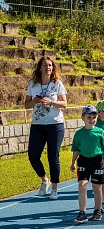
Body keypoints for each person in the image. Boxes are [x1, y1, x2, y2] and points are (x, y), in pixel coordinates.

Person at [24, 56, 67, 200]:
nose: (47, 67)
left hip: (55, 125)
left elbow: (65, 104)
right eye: (45, 65)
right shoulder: (33, 84)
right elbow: (26, 105)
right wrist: (35, 100)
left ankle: (54, 188)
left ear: (52, 68)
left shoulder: (57, 83)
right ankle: (44, 180)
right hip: (37, 125)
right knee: (33, 156)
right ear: (40, 68)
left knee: (52, 157)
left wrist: (52, 101)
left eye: (50, 65)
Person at [71, 105, 104, 224]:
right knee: (82, 185)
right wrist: (73, 163)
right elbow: (76, 149)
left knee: (97, 187)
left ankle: (97, 210)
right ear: (83, 117)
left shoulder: (100, 132)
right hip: (83, 161)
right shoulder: (79, 133)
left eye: (94, 116)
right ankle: (82, 212)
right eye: (89, 117)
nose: (92, 119)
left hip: (97, 161)